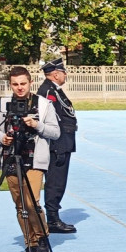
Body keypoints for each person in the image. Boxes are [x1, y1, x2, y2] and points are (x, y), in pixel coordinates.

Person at [0, 67, 61, 252]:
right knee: (20, 205)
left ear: (30, 83)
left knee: (31, 202)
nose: (19, 88)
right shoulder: (2, 104)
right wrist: (3, 138)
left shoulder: (44, 105)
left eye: (23, 83)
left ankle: (42, 237)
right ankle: (31, 243)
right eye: (15, 84)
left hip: (34, 159)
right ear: (10, 84)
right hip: (11, 157)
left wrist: (37, 125)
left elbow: (56, 132)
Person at [37, 58, 78, 234]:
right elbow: (49, 120)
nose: (65, 75)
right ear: (55, 74)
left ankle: (54, 217)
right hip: (57, 143)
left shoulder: (54, 90)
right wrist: (58, 145)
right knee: (55, 182)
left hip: (63, 142)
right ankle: (52, 220)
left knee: (59, 182)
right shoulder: (48, 91)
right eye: (63, 72)